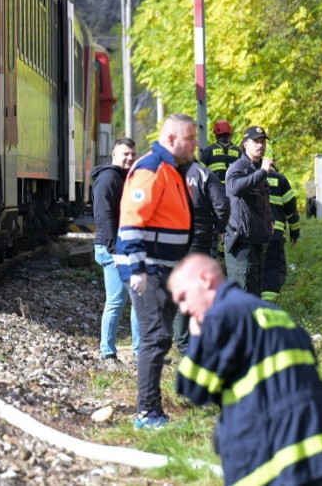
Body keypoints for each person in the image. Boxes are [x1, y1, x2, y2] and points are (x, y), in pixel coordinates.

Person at [170, 254, 322, 485]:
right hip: (321, 443)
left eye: (184, 297)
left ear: (205, 279)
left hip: (278, 453)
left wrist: (197, 335)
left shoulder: (223, 315)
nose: (184, 309)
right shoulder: (277, 315)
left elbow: (192, 387)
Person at [115, 113, 197, 429]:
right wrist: (137, 268)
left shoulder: (170, 169)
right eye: (191, 139)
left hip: (161, 267)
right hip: (146, 268)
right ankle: (147, 412)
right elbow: (132, 220)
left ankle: (152, 410)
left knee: (160, 337)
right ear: (173, 139)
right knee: (155, 336)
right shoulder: (152, 169)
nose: (195, 145)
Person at [173, 156, 230, 355]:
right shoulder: (204, 174)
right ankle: (187, 342)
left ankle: (181, 339)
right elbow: (222, 206)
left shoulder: (166, 173)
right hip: (198, 239)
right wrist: (218, 228)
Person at [90, 137, 140, 361]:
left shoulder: (128, 178)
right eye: (125, 154)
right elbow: (103, 216)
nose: (129, 158)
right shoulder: (108, 178)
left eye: (132, 154)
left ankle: (141, 352)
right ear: (114, 155)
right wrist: (113, 249)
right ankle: (107, 352)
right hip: (114, 248)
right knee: (116, 300)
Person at [224, 125, 276, 296]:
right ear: (245, 144)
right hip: (241, 244)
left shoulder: (258, 168)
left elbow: (263, 202)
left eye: (263, 142)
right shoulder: (238, 167)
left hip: (258, 242)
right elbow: (234, 189)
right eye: (256, 142)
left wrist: (271, 221)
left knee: (254, 296)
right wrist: (262, 172)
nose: (260, 145)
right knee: (242, 297)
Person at [263, 168, 301, 303]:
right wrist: (295, 231)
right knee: (273, 269)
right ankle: (270, 305)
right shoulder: (280, 179)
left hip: (252, 235)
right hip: (275, 234)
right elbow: (291, 207)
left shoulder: (244, 175)